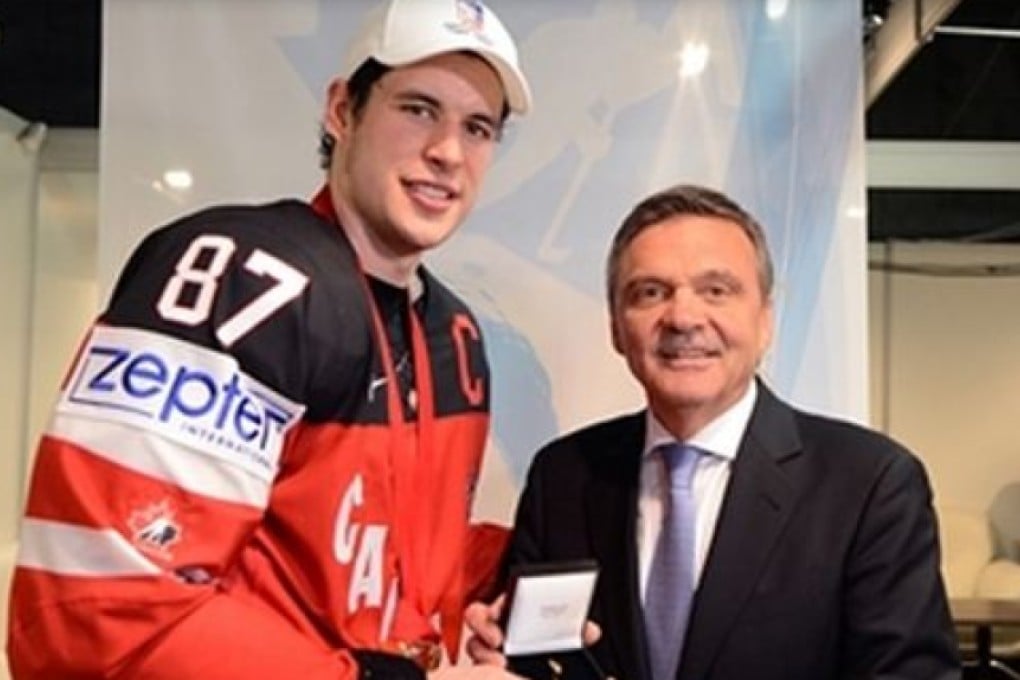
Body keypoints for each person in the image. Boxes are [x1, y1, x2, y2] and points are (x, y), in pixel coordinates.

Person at [7, 1, 532, 679]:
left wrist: (515, 573)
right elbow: (98, 607)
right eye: (418, 109)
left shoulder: (453, 336)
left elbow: (394, 552)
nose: (448, 152)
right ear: (342, 111)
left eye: (478, 127)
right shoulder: (238, 278)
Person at [466, 184, 961, 679]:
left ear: (765, 321)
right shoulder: (563, 478)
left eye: (716, 291)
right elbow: (536, 662)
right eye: (650, 292)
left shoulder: (869, 485)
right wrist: (503, 660)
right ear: (616, 327)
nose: (683, 318)